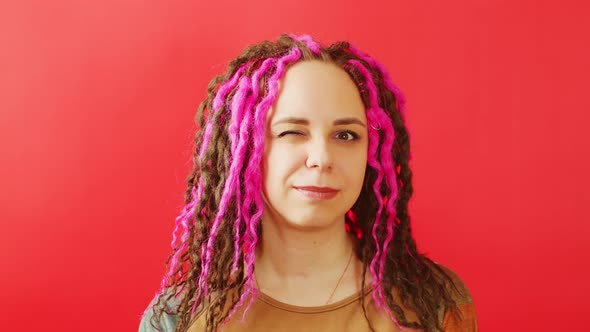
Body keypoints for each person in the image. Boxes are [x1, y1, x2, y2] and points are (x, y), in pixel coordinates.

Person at [138, 34, 478, 332]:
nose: (322, 157)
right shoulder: (179, 316)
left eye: (346, 135)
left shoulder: (434, 302)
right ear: (245, 151)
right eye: (292, 132)